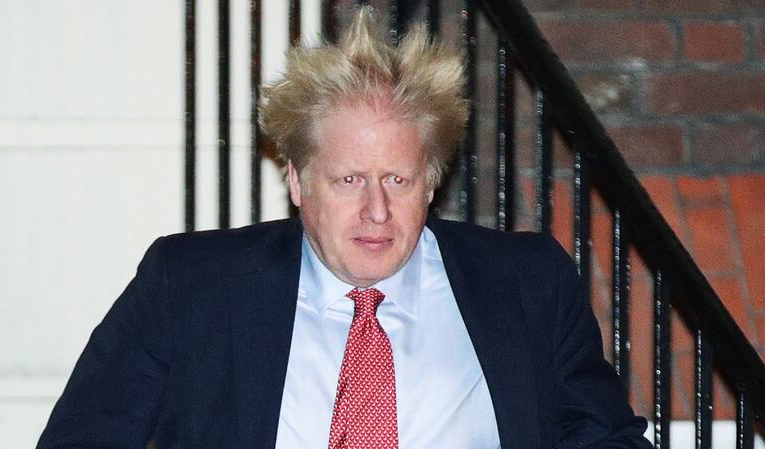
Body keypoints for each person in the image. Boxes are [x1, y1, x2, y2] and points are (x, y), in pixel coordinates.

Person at [38, 7, 652, 449]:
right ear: (299, 182)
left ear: (432, 182)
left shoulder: (525, 283)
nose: (378, 211)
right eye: (349, 181)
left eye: (400, 181)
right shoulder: (191, 286)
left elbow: (607, 438)